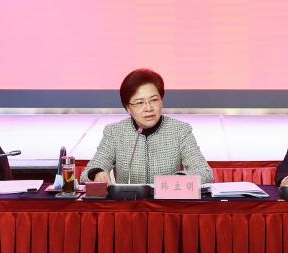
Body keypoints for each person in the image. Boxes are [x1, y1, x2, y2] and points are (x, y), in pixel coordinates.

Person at [84, 69, 214, 184]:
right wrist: (97, 174)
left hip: (167, 203)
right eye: (140, 102)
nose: (149, 108)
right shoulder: (115, 132)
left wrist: (178, 180)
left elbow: (205, 173)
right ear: (128, 108)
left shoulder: (180, 131)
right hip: (128, 204)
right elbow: (88, 173)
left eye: (154, 100)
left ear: (161, 101)